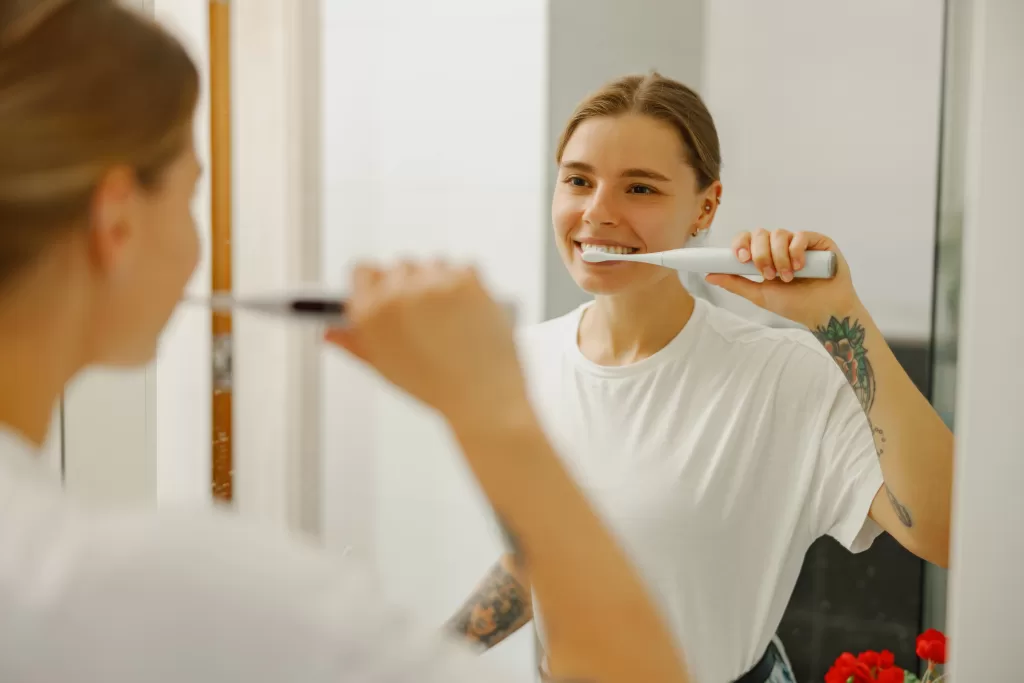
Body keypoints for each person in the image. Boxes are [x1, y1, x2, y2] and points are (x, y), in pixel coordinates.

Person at [0, 2, 693, 681]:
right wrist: (493, 411)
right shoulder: (158, 591)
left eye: (640, 187)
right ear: (117, 223)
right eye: (191, 195)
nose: (600, 210)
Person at [448, 73, 954, 683]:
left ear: (706, 207)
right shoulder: (523, 363)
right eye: (578, 180)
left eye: (640, 188)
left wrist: (842, 319)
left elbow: (949, 533)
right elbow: (543, 557)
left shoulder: (785, 377)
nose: (597, 212)